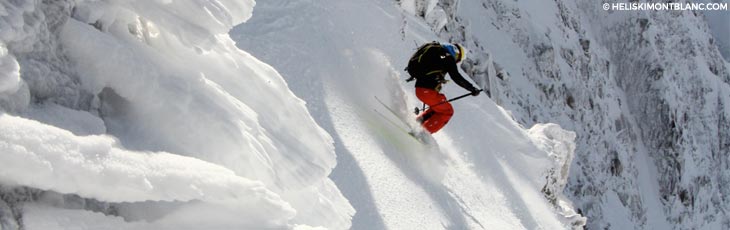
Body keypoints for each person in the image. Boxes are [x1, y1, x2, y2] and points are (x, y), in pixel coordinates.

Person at [405, 42, 480, 134]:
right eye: (458, 59)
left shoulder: (436, 52)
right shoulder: (448, 58)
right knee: (448, 111)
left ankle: (418, 123)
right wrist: (471, 88)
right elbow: (456, 77)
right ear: (456, 53)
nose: (456, 61)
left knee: (438, 106)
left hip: (420, 90)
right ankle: (423, 133)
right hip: (427, 92)